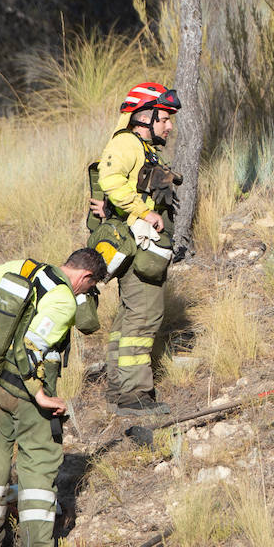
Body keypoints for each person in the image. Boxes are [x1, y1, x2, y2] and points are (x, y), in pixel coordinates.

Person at [0, 248, 106, 547]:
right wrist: (40, 394)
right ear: (84, 277)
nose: (86, 294)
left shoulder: (22, 268)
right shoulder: (62, 300)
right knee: (38, 474)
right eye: (90, 288)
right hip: (27, 397)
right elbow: (31, 350)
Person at [89, 82, 182, 415]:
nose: (169, 126)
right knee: (143, 317)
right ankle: (134, 396)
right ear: (145, 117)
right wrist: (145, 212)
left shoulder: (142, 146)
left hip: (140, 243)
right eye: (165, 118)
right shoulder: (127, 143)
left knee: (130, 316)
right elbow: (110, 180)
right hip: (137, 241)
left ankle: (119, 388)